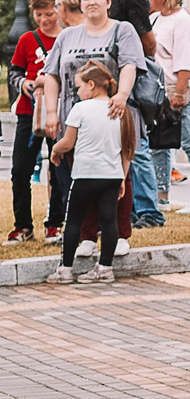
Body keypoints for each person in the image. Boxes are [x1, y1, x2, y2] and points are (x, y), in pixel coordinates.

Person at [43, 0, 151, 260]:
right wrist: (52, 112)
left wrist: (122, 95)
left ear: (108, 2)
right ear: (80, 3)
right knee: (82, 175)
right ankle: (88, 236)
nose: (92, 2)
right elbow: (52, 75)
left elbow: (130, 65)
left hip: (113, 115)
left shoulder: (122, 30)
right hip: (76, 117)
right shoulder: (67, 36)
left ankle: (121, 233)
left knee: (118, 174)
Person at [89, 0, 158, 227]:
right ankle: (128, 208)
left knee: (135, 144)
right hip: (111, 80)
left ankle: (150, 211)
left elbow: (149, 41)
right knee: (119, 145)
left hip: (131, 80)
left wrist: (133, 63)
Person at [48, 64, 132, 283]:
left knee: (74, 220)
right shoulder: (120, 109)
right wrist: (122, 176)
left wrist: (55, 150)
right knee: (108, 221)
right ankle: (105, 268)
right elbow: (127, 149)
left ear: (91, 85)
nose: (77, 92)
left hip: (85, 174)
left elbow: (68, 142)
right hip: (111, 175)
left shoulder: (80, 109)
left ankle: (65, 269)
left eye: (79, 87)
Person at [147, 0, 190, 218]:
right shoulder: (154, 19)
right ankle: (161, 195)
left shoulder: (181, 20)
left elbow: (186, 58)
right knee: (159, 144)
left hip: (174, 89)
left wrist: (180, 92)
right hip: (156, 90)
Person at [10, 0, 59, 240]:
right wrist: (24, 84)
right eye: (39, 15)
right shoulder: (27, 39)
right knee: (20, 169)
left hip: (58, 111)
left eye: (49, 14)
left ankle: (56, 223)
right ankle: (23, 225)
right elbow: (14, 71)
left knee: (58, 166)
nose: (44, 20)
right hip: (29, 111)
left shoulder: (67, 37)